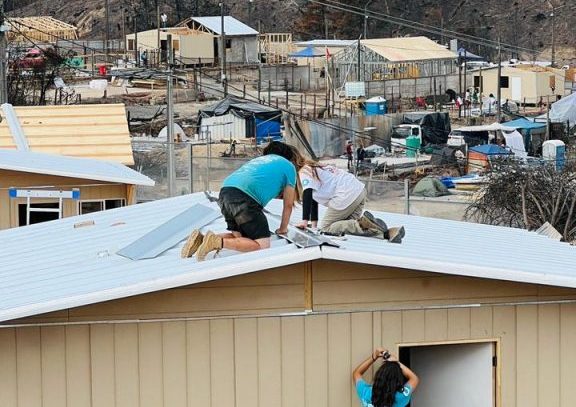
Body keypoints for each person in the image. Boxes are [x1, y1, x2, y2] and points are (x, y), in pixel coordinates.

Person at [263, 142, 405, 243]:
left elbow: (308, 194)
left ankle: (363, 224)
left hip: (346, 194)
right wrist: (313, 224)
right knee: (349, 229)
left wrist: (304, 221)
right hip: (358, 190)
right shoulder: (312, 166)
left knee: (327, 228)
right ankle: (388, 233)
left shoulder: (303, 171)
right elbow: (313, 199)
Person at [181, 152, 297, 261]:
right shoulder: (290, 168)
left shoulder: (265, 160)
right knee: (262, 245)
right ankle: (217, 241)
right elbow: (288, 205)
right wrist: (282, 229)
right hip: (244, 197)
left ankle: (201, 240)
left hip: (225, 193)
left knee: (242, 238)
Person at [353, 348, 419, 407]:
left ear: (378, 377)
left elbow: (356, 373)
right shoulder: (401, 396)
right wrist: (396, 362)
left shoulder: (367, 393)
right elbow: (414, 379)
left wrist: (374, 357)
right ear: (398, 380)